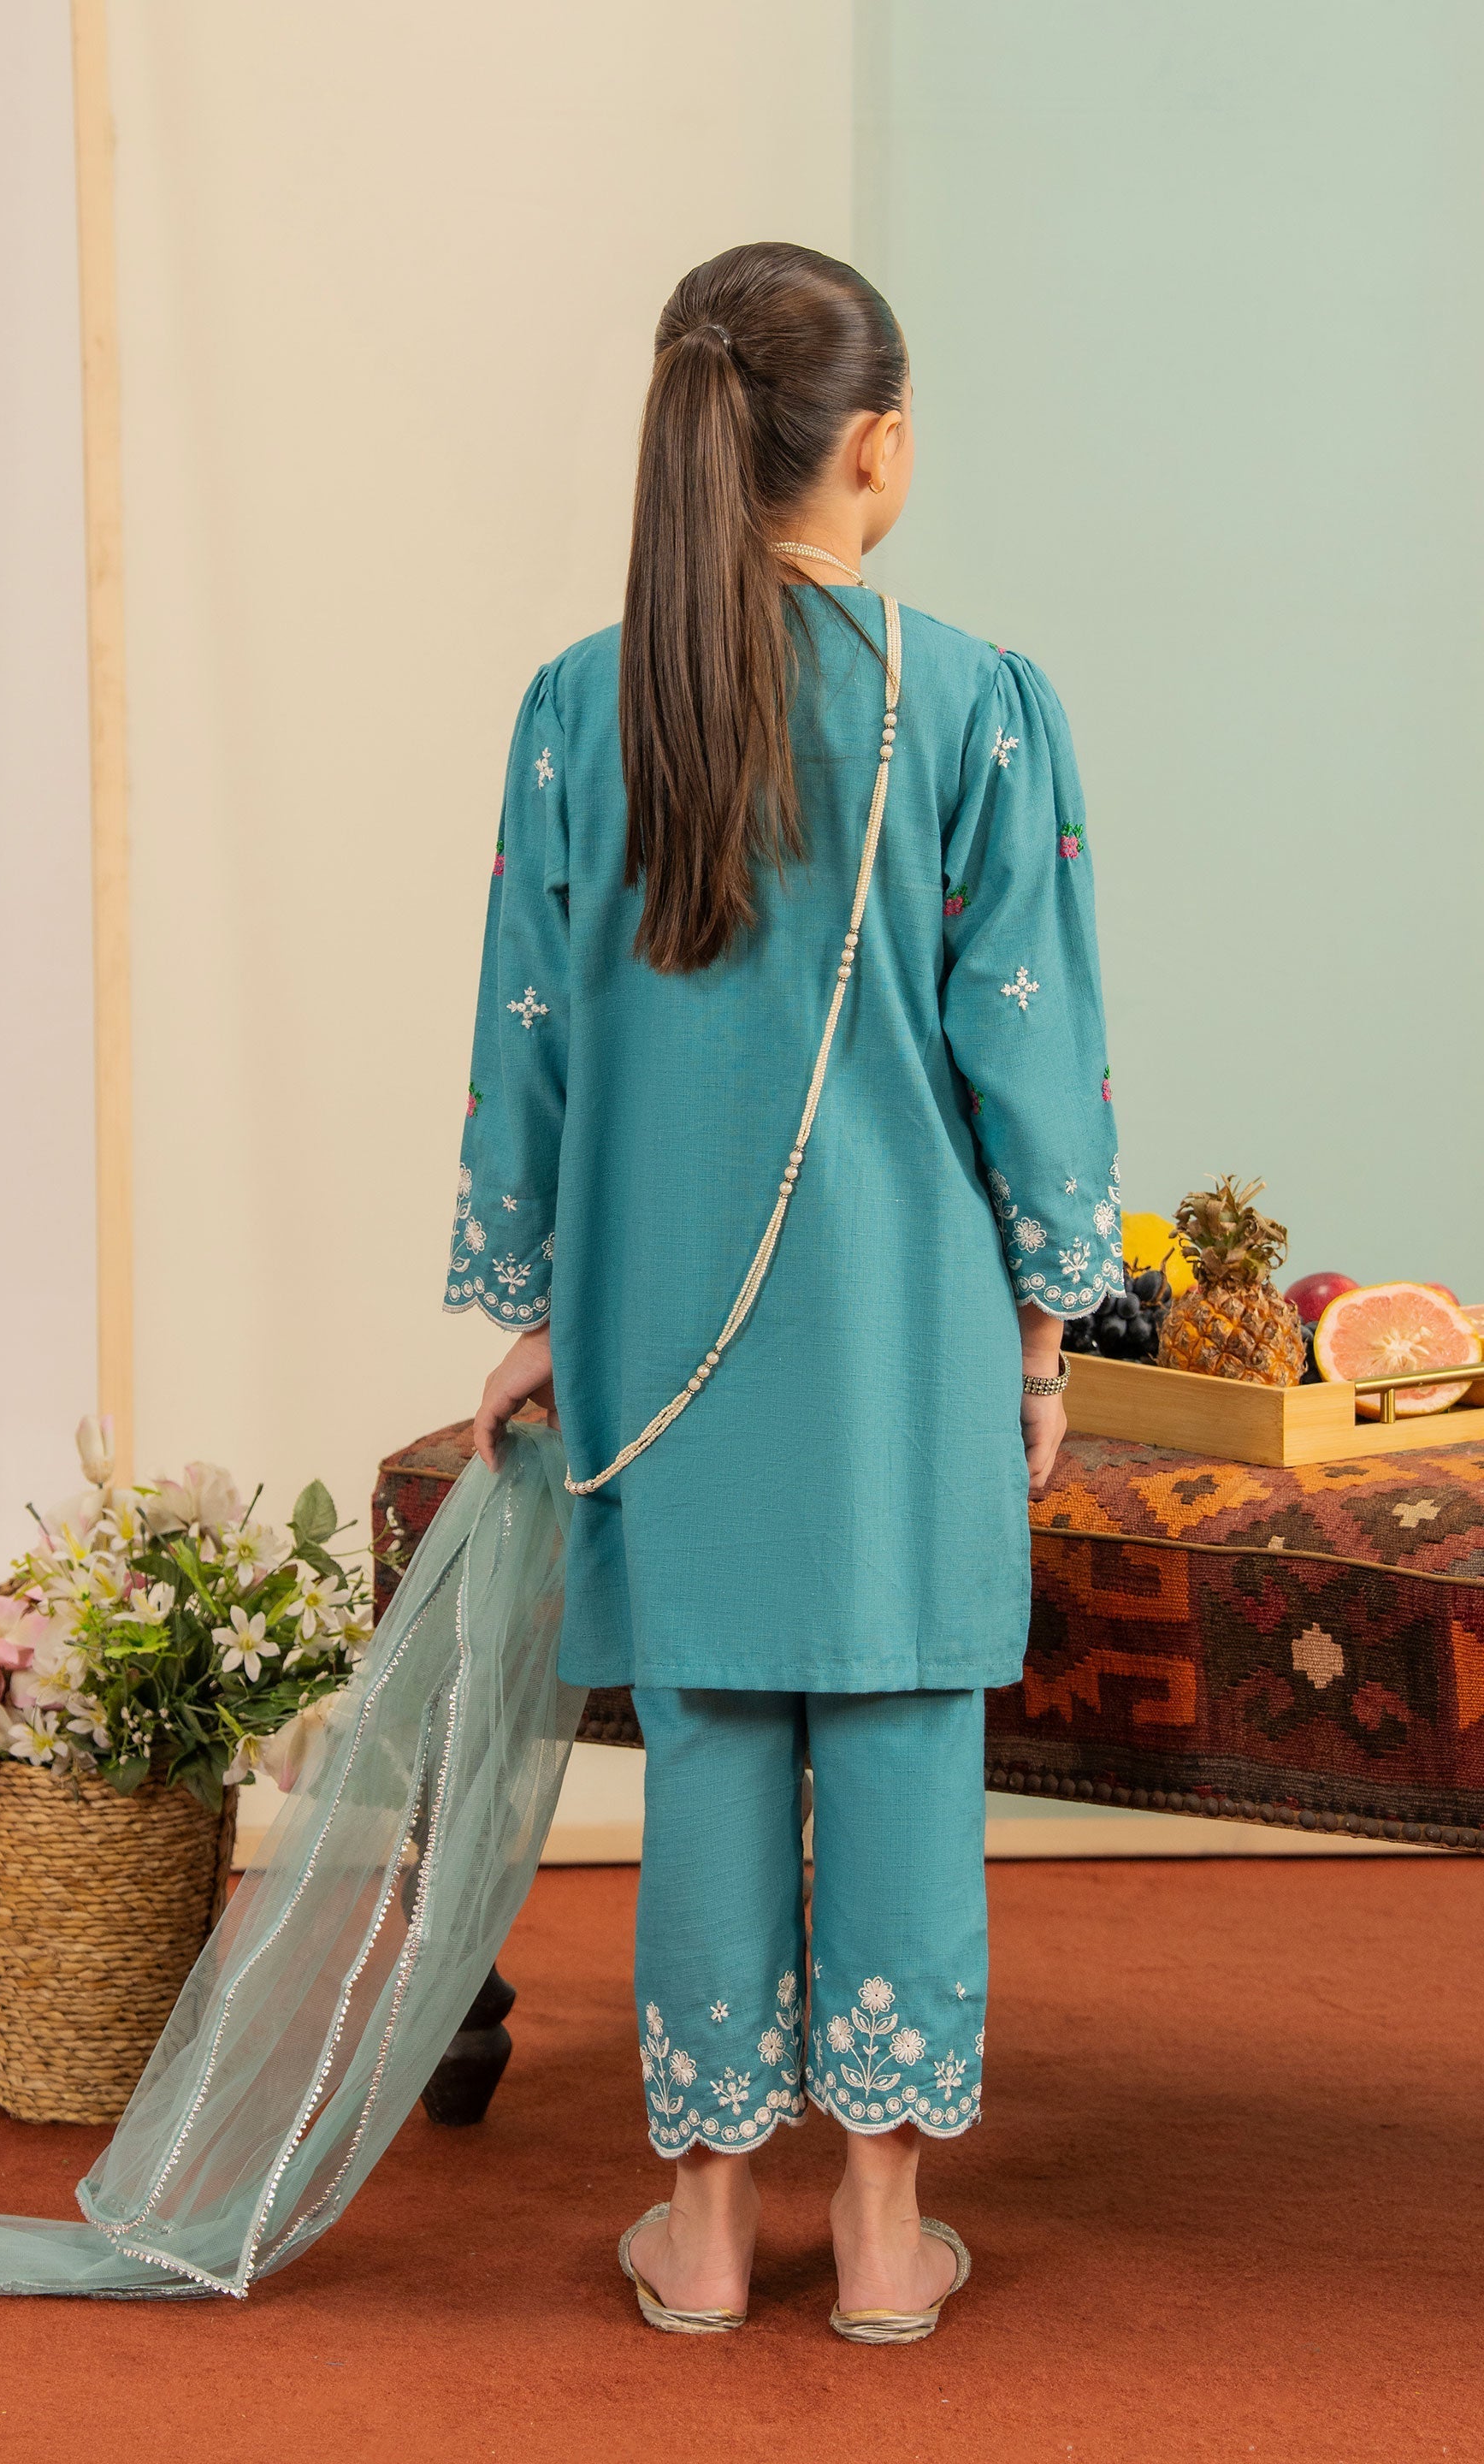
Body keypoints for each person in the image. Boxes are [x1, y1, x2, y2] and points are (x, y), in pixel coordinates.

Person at [456, 240, 1120, 2340]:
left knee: (714, 1735)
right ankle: (888, 2245)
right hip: (907, 1333)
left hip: (659, 1327)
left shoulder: (584, 706)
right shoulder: (979, 702)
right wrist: (1043, 1328)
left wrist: (533, 1305)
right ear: (879, 447)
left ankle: (710, 2229)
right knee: (906, 1729)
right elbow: (1032, 1052)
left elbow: (527, 1037)